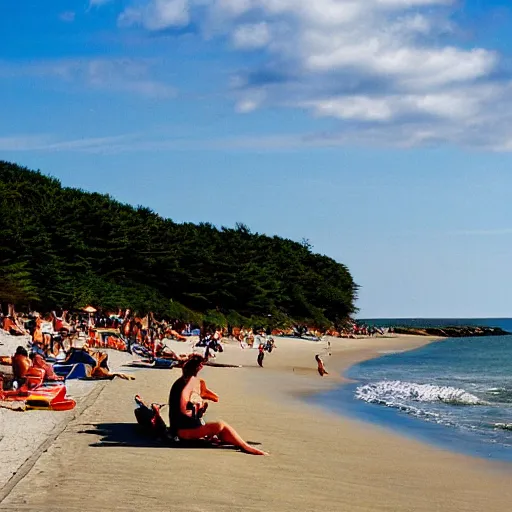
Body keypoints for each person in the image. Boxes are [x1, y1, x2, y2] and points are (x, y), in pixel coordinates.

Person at [168, 355, 267, 455]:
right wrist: (197, 410)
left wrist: (200, 407)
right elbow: (183, 408)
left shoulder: (184, 382)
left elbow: (208, 397)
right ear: (199, 367)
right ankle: (245, 446)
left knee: (219, 428)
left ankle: (240, 444)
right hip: (182, 432)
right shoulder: (187, 383)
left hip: (184, 428)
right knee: (220, 425)